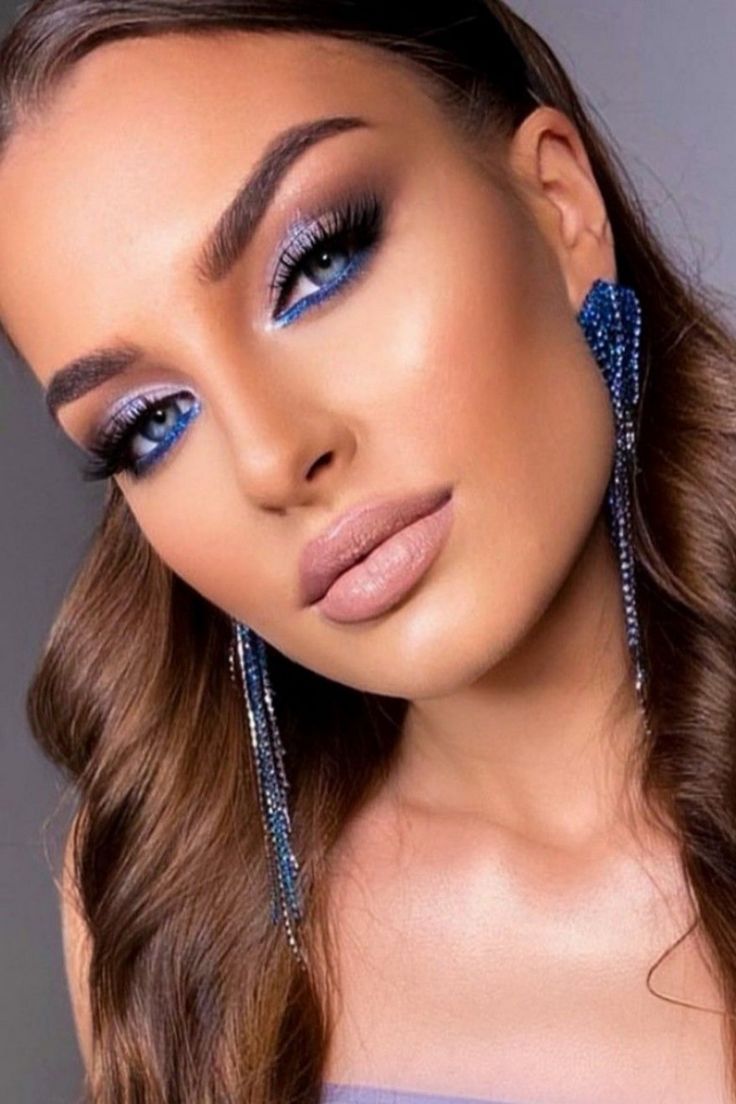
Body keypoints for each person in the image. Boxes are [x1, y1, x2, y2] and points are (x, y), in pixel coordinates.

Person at [0, 1, 734, 1101]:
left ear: (557, 205)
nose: (269, 460)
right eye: (148, 423)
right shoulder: (161, 914)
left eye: (318, 265)